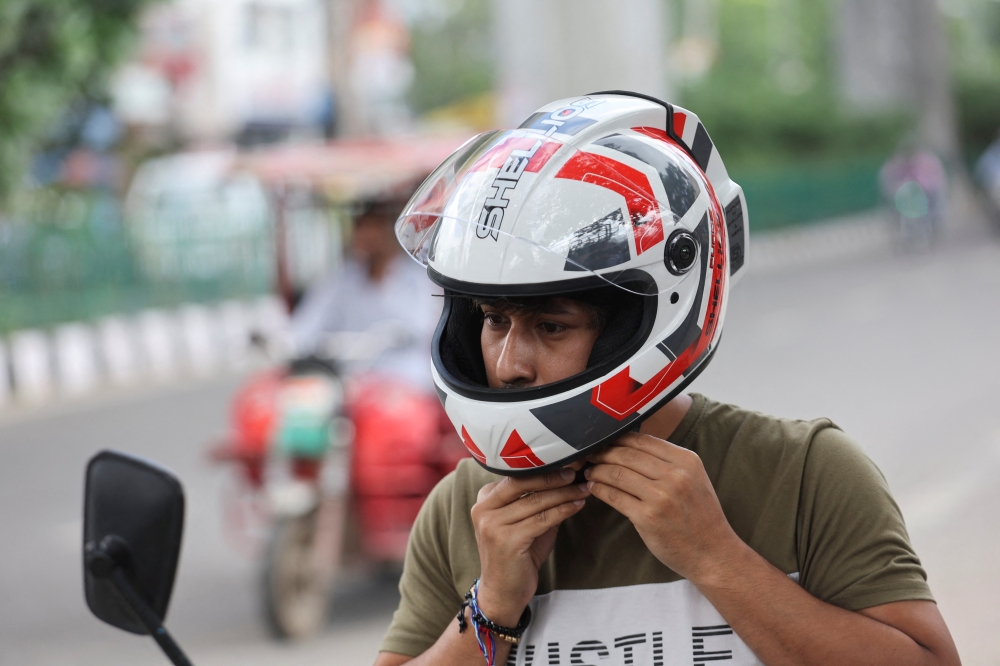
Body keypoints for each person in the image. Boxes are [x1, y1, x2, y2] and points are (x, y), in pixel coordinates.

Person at [375, 93, 960, 666]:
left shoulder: (803, 473)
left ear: (646, 321)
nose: (507, 364)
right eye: (493, 320)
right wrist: (493, 608)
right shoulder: (464, 508)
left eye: (551, 327)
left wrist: (717, 560)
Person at [289, 198, 440, 391]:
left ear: (389, 230)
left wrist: (393, 335)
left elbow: (426, 326)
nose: (359, 235)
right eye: (357, 226)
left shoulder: (418, 279)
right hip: (351, 381)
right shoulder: (341, 280)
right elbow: (306, 325)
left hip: (407, 381)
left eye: (369, 226)